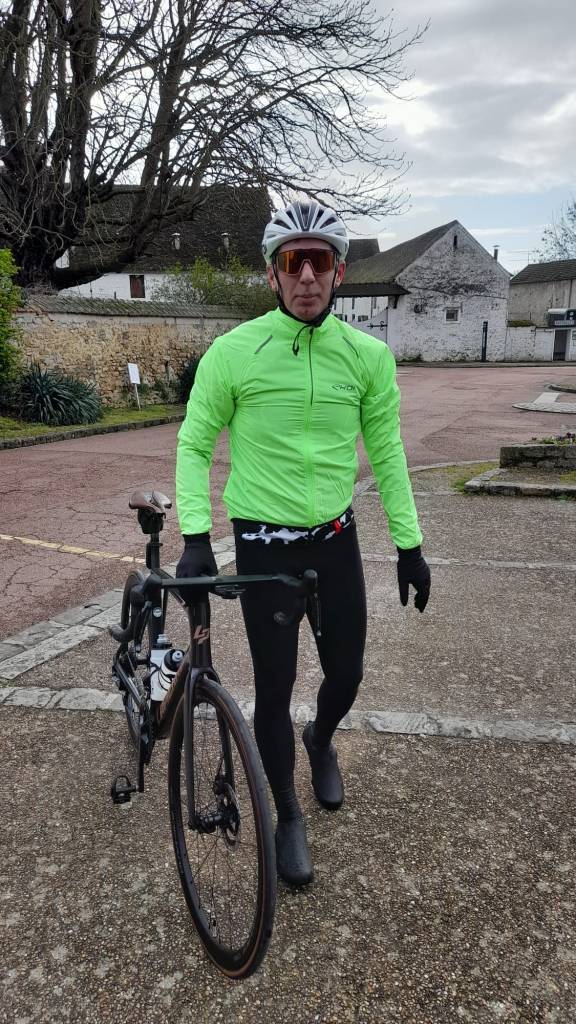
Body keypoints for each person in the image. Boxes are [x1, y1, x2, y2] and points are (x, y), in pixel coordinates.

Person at [175, 200, 430, 886]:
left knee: (347, 673)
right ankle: (286, 812)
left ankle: (321, 737)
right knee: (274, 687)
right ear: (273, 274)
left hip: (335, 538)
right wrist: (195, 536)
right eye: (293, 261)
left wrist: (409, 545)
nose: (307, 275)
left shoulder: (368, 357)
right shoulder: (234, 353)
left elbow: (388, 451)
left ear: (339, 271)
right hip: (264, 545)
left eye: (319, 261)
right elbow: (194, 444)